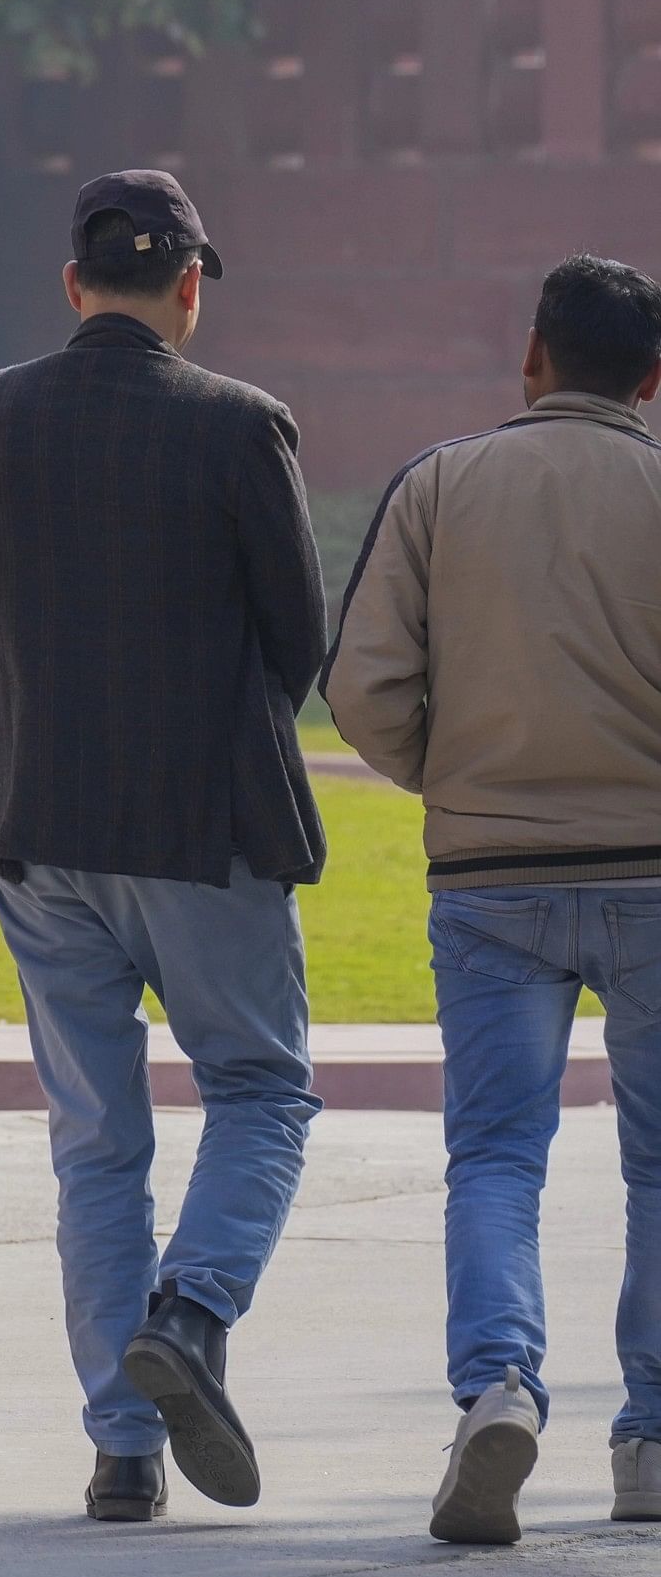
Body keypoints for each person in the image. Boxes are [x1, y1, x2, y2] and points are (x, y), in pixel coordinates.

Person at [0, 170, 327, 1524]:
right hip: (198, 826)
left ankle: (117, 1448)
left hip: (34, 821)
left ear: (69, 282)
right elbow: (294, 640)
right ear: (188, 289)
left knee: (94, 1142)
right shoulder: (236, 426)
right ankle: (192, 1315)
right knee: (260, 1090)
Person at [328, 252, 661, 1548]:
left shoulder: (437, 484)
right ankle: (646, 1442)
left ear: (530, 356)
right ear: (647, 378)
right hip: (651, 868)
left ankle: (495, 1386)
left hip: (488, 876)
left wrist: (443, 774)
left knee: (494, 1157)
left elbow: (356, 680)